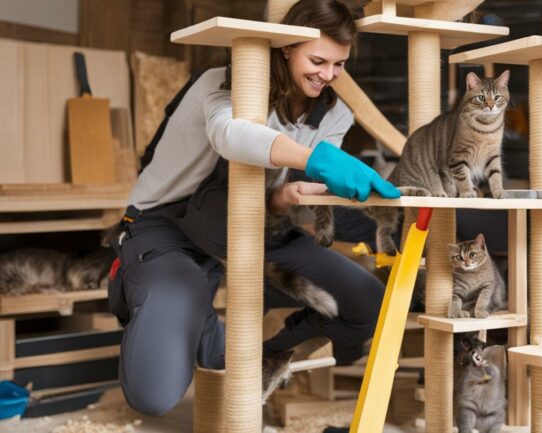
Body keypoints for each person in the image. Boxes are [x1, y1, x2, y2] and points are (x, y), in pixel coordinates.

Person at [108, 0, 399, 416]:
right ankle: (154, 292)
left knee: (366, 301)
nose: (328, 75)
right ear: (285, 48)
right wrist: (314, 160)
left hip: (252, 222)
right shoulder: (221, 82)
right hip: (168, 226)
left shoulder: (334, 111)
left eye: (339, 65)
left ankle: (264, 354)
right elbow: (231, 135)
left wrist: (288, 195)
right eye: (317, 60)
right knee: (152, 393)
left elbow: (281, 193)